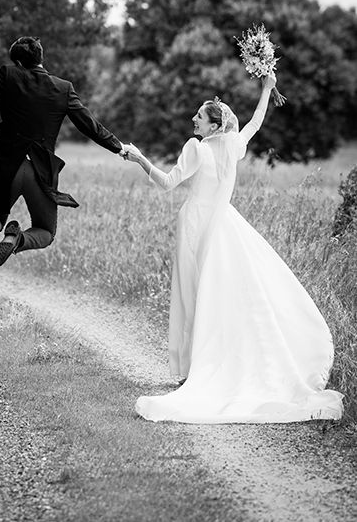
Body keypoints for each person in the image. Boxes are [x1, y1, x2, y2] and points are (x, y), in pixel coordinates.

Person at [126, 75, 343, 423]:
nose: (193, 121)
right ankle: (207, 363)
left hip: (197, 226)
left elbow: (167, 183)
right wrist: (267, 89)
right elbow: (256, 123)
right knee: (220, 296)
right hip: (224, 225)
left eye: (199, 117)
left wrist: (139, 158)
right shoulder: (232, 145)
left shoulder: (196, 148)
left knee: (192, 292)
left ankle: (191, 370)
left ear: (213, 125)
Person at [0, 13, 129, 266]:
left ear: (18, 63)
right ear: (41, 58)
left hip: (4, 164)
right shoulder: (63, 89)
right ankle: (17, 239)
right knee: (45, 231)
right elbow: (90, 126)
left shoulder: (9, 77)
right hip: (38, 170)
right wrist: (119, 147)